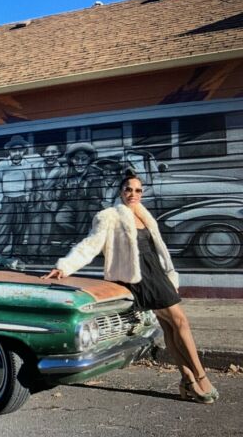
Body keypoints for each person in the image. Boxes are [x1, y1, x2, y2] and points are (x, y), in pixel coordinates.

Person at [41, 174, 219, 404]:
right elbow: (90, 245)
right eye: (128, 189)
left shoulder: (145, 215)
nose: (133, 194)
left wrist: (168, 272)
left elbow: (157, 249)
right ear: (120, 192)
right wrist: (64, 266)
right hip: (139, 278)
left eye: (138, 190)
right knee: (181, 322)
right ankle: (201, 375)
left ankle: (187, 379)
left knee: (170, 328)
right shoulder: (108, 217)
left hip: (157, 274)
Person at [0, 135, 34, 257]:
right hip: (7, 199)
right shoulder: (3, 164)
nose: (17, 153)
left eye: (20, 150)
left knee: (20, 228)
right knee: (3, 227)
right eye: (14, 150)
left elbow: (29, 183)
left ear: (24, 151)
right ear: (9, 151)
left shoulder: (27, 165)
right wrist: (1, 197)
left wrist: (26, 196)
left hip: (21, 199)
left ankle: (16, 256)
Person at [55, 142, 103, 245]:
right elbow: (59, 190)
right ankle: (72, 235)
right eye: (76, 159)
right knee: (60, 218)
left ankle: (80, 241)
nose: (80, 162)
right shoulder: (65, 173)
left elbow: (97, 193)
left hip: (87, 203)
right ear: (72, 160)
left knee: (83, 214)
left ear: (89, 160)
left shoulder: (95, 173)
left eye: (84, 159)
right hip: (69, 203)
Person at [26, 144, 65, 259]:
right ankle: (31, 255)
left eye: (53, 152)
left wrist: (55, 202)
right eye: (47, 152)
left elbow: (60, 187)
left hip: (50, 203)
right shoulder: (35, 167)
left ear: (58, 154)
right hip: (35, 202)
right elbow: (29, 185)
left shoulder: (61, 170)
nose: (50, 155)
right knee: (34, 230)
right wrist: (30, 199)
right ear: (43, 154)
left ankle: (44, 255)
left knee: (47, 231)